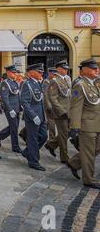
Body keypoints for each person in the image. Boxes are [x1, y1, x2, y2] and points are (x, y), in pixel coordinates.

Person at [67, 59, 100, 190]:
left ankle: (74, 163)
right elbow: (75, 107)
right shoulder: (80, 85)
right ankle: (89, 179)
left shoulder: (94, 84)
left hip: (97, 123)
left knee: (95, 149)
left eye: (97, 68)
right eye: (94, 68)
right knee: (88, 153)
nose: (97, 70)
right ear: (84, 70)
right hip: (87, 125)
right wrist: (74, 127)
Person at [20, 63, 47, 171]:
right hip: (33, 117)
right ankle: (33, 161)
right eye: (39, 71)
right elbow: (24, 102)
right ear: (31, 73)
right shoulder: (27, 84)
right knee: (33, 139)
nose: (41, 73)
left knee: (44, 136)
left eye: (41, 71)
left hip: (41, 116)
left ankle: (27, 152)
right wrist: (33, 116)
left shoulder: (39, 83)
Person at [45, 60, 71, 163]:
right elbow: (52, 98)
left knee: (67, 132)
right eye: (63, 69)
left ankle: (51, 144)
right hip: (60, 112)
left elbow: (70, 94)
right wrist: (61, 111)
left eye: (66, 69)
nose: (65, 71)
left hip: (68, 110)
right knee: (64, 134)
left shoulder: (68, 79)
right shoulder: (54, 81)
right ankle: (64, 157)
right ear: (58, 69)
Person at [0, 65, 22, 154]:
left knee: (14, 126)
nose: (16, 74)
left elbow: (17, 95)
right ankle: (15, 147)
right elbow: (4, 98)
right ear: (8, 73)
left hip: (17, 108)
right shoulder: (5, 83)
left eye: (16, 72)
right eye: (14, 72)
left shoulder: (14, 82)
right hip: (10, 109)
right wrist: (10, 109)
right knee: (14, 128)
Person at [43, 68, 57, 156]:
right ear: (49, 73)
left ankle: (24, 133)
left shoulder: (55, 81)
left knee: (46, 124)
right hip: (50, 107)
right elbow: (45, 94)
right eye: (53, 73)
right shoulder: (46, 82)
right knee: (51, 125)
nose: (55, 75)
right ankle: (51, 143)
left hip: (57, 107)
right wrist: (49, 106)